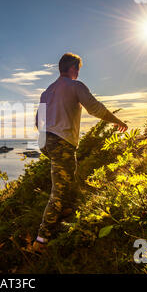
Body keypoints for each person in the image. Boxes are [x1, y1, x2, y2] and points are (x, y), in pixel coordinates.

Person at [32, 52, 128, 253]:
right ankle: (41, 240)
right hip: (61, 142)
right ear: (73, 69)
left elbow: (37, 123)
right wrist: (117, 121)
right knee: (58, 190)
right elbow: (94, 108)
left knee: (67, 176)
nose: (78, 72)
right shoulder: (75, 86)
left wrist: (48, 135)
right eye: (78, 69)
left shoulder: (47, 91)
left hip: (46, 142)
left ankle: (66, 210)